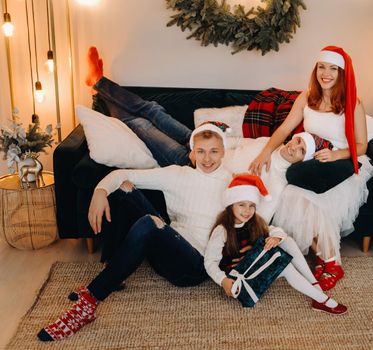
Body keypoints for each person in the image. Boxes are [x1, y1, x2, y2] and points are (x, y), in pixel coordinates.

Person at [37, 123, 231, 341]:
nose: (207, 158)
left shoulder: (231, 183)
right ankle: (113, 270)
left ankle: (88, 304)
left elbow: (252, 216)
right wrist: (99, 192)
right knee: (124, 189)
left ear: (223, 151)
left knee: (149, 223)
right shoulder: (178, 175)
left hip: (193, 266)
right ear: (192, 153)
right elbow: (122, 174)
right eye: (201, 151)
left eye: (214, 151)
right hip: (168, 247)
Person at [249, 46, 368, 291]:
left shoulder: (353, 102)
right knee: (292, 194)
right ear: (316, 70)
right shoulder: (307, 97)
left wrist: (336, 154)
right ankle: (325, 257)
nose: (326, 74)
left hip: (340, 162)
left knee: (317, 200)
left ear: (342, 73)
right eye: (322, 67)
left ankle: (332, 263)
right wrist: (265, 152)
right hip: (309, 162)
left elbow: (362, 145)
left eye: (333, 69)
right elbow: (283, 130)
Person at [204, 174, 347, 315]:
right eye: (241, 205)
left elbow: (276, 231)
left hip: (254, 267)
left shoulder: (253, 222)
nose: (247, 211)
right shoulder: (222, 230)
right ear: (230, 205)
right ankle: (323, 300)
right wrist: (223, 281)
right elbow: (210, 261)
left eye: (252, 206)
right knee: (284, 266)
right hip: (239, 281)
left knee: (286, 241)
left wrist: (276, 238)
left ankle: (315, 286)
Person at [85, 46, 193, 167]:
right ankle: (98, 85)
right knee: (153, 109)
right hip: (198, 140)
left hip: (187, 161)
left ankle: (98, 84)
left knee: (140, 124)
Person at [223, 131, 317, 222]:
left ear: (303, 160)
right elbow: (237, 141)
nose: (294, 147)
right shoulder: (270, 142)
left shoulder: (279, 184)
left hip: (218, 187)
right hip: (215, 158)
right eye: (298, 141)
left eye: (302, 151)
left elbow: (260, 219)